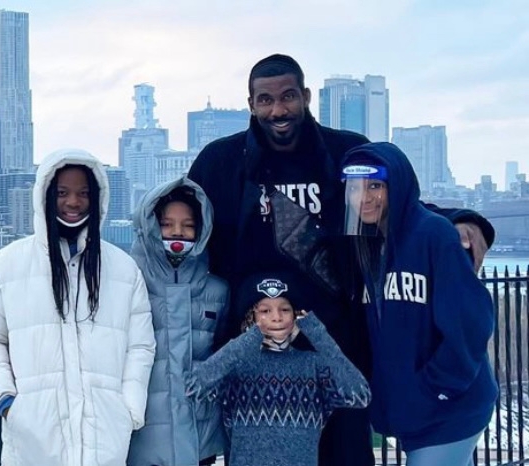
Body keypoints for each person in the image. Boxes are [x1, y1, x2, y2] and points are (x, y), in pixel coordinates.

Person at [187, 53, 495, 466]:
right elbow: (183, 220)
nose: (278, 110)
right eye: (265, 100)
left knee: (346, 453)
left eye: (288, 96)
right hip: (255, 346)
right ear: (251, 104)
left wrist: (461, 219)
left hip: (339, 340)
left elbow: (396, 202)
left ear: (307, 97)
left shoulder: (345, 151)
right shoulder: (220, 162)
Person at [0, 149, 156, 466]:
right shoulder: (7, 266)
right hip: (33, 439)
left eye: (83, 193)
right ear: (45, 195)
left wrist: (129, 408)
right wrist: (7, 401)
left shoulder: (122, 269)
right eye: (63, 192)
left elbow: (140, 346)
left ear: (97, 198)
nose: (73, 202)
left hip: (105, 437)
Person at [341, 142, 497, 466]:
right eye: (354, 188)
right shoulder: (366, 246)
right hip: (417, 413)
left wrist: (433, 389)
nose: (364, 197)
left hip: (451, 409)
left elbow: (472, 321)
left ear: (396, 185)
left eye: (375, 186)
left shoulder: (433, 234)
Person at [186, 272, 370, 466]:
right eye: (265, 311)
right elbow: (195, 387)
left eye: (285, 309)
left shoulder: (313, 365)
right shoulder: (235, 366)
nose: (276, 317)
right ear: (250, 317)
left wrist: (317, 333)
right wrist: (249, 338)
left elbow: (359, 395)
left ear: (297, 316)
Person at [127, 177, 228, 466]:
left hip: (200, 436)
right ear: (150, 226)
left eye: (188, 225)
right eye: (167, 224)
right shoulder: (129, 281)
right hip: (141, 437)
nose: (177, 233)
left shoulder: (218, 290)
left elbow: (222, 352)